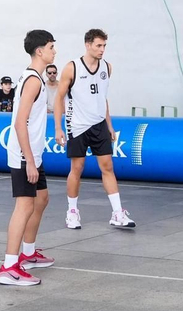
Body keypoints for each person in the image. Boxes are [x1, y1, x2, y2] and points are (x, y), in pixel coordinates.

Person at [57, 28, 135, 230]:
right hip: (77, 125)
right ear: (88, 44)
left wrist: (109, 125)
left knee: (107, 166)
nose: (102, 50)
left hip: (99, 123)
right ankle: (72, 212)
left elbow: (103, 98)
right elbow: (58, 99)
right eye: (99, 45)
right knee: (77, 168)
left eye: (104, 46)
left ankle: (117, 213)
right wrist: (58, 127)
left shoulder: (107, 68)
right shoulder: (72, 68)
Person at [0, 29, 56, 286]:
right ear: (39, 51)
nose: (54, 51)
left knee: (41, 199)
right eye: (51, 47)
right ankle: (9, 267)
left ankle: (29, 252)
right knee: (24, 206)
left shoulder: (36, 78)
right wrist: (30, 160)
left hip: (34, 152)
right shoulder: (33, 80)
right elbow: (19, 123)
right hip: (25, 154)